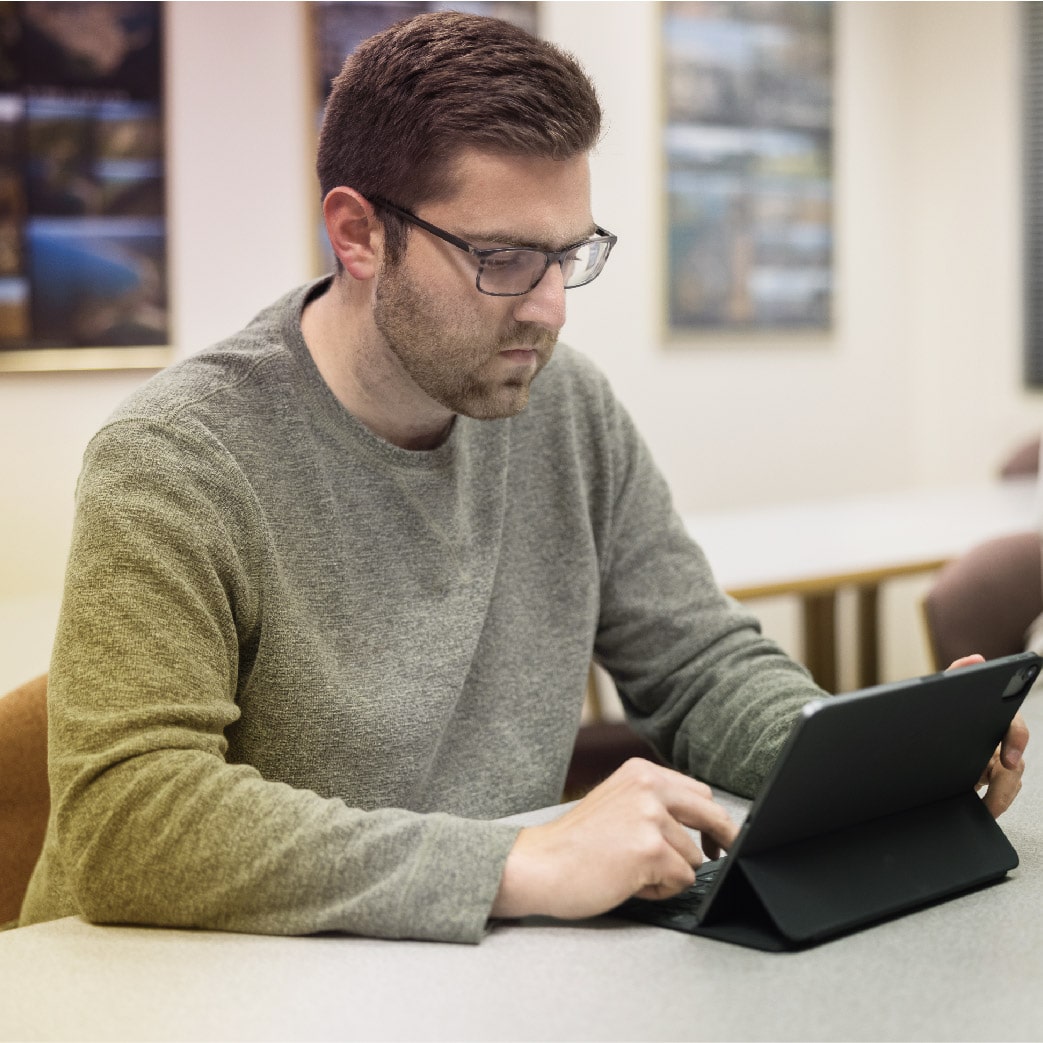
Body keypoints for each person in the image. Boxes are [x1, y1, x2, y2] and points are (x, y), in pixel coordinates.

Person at [20, 12, 1027, 942]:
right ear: (358, 232)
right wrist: (512, 857)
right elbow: (128, 819)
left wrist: (853, 765)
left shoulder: (564, 406)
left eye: (566, 256)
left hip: (468, 974)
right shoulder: (178, 455)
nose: (548, 309)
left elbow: (696, 663)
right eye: (501, 258)